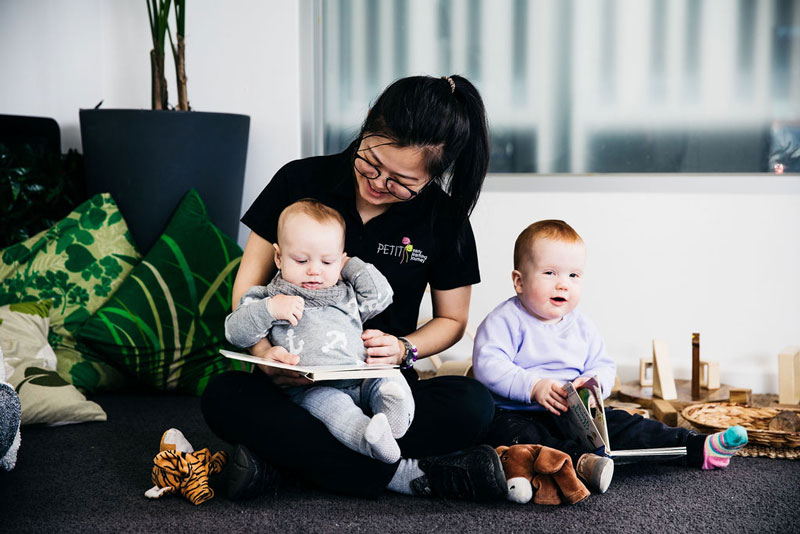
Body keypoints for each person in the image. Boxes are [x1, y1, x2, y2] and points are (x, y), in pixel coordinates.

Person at [201, 74, 507, 501]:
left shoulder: (445, 218)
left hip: (380, 390)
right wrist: (264, 357)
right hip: (294, 389)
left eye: (402, 183)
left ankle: (286, 466)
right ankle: (399, 474)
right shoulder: (298, 181)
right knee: (224, 396)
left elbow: (452, 320)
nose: (379, 184)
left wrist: (404, 348)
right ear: (366, 126)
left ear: (433, 177)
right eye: (371, 163)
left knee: (473, 404)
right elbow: (246, 290)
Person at [473, 219, 748, 494]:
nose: (562, 285)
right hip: (516, 413)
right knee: (518, 438)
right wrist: (533, 386)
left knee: (628, 425)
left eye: (574, 276)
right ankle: (583, 464)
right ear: (519, 281)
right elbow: (488, 364)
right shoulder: (506, 320)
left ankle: (697, 447)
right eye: (549, 273)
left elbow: (603, 365)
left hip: (574, 415)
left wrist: (592, 385)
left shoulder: (582, 327)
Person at [224, 199, 414, 464]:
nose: (314, 271)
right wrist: (269, 310)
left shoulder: (346, 294)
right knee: (338, 415)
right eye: (301, 260)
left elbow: (382, 295)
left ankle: (393, 419)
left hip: (362, 374)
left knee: (390, 380)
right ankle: (371, 438)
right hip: (313, 389)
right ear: (278, 257)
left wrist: (349, 265)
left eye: (327, 261)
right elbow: (235, 332)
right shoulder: (268, 297)